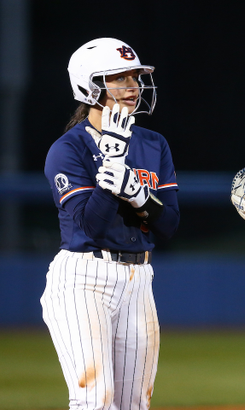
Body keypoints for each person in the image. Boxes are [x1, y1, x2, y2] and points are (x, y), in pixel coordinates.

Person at [41, 37, 180, 410]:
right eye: (119, 78)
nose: (132, 87)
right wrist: (111, 170)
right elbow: (91, 227)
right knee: (95, 399)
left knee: (135, 402)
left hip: (139, 278)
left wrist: (138, 196)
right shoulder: (68, 150)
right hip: (85, 277)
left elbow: (168, 225)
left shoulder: (153, 144)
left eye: (134, 77)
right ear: (91, 86)